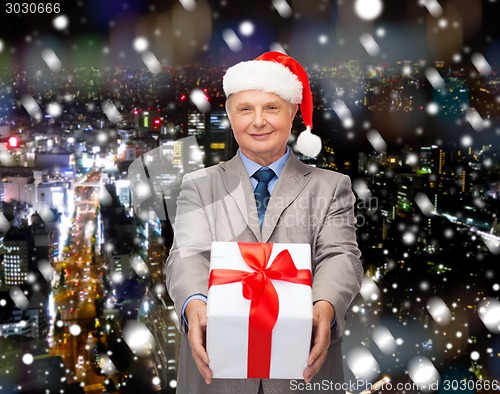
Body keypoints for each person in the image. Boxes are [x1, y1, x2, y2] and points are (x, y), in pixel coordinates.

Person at [166, 51, 363, 394]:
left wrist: (325, 304)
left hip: (302, 371)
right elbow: (186, 254)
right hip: (215, 372)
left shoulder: (331, 187)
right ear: (230, 115)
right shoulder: (199, 185)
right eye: (245, 109)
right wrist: (195, 303)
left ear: (292, 114)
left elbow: (340, 255)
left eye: (271, 108)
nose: (258, 121)